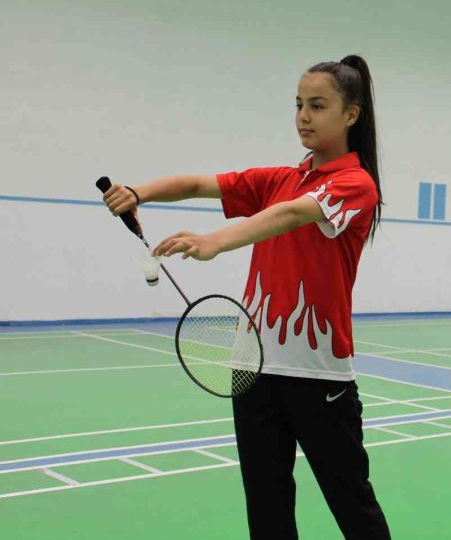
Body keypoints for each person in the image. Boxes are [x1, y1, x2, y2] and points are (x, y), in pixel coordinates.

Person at [101, 55, 392, 540]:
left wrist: (216, 240)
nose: (303, 116)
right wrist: (138, 192)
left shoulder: (355, 184)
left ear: (351, 115)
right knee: (265, 503)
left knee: (352, 505)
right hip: (252, 367)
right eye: (298, 104)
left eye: (317, 106)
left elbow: (292, 214)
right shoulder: (280, 178)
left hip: (317, 374)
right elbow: (200, 184)